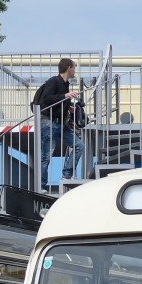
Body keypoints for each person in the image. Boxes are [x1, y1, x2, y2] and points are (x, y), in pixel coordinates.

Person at [33, 58, 84, 189]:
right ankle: (40, 186)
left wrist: (68, 107)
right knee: (46, 156)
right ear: (68, 68)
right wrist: (66, 96)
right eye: (74, 68)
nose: (75, 71)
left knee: (79, 146)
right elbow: (47, 98)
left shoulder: (65, 84)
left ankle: (66, 176)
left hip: (61, 123)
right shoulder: (53, 81)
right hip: (49, 123)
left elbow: (57, 102)